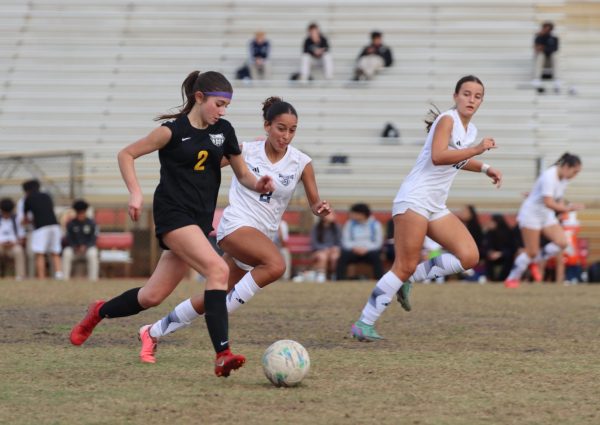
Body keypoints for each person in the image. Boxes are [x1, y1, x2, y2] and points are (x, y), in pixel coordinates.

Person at [69, 71, 275, 378]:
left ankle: (98, 311)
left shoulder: (224, 131)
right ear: (199, 97)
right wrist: (136, 194)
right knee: (218, 271)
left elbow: (242, 174)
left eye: (226, 106)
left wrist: (259, 184)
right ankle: (222, 354)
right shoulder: (171, 131)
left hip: (198, 220)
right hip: (173, 215)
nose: (222, 111)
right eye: (218, 104)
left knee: (151, 296)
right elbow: (126, 154)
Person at [137, 96, 331, 364]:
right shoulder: (246, 150)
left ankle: (152, 331)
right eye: (281, 128)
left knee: (212, 297)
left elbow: (313, 202)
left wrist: (320, 207)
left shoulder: (301, 162)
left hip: (261, 236)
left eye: (292, 130)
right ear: (267, 126)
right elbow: (201, 164)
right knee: (275, 265)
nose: (286, 135)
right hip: (236, 226)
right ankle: (222, 317)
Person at [350, 75, 503, 341]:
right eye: (466, 94)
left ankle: (410, 280)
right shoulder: (447, 120)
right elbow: (439, 156)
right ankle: (364, 323)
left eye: (477, 96)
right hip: (414, 200)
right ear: (455, 96)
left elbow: (457, 160)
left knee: (469, 256)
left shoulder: (471, 131)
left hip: (434, 205)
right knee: (403, 265)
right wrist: (477, 151)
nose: (471, 100)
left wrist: (486, 168)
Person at [504, 153, 583, 288]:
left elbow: (554, 199)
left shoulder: (563, 179)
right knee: (531, 251)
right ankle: (512, 277)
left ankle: (536, 260)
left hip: (546, 215)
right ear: (566, 166)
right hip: (531, 214)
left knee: (562, 242)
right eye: (574, 171)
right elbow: (548, 202)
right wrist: (568, 208)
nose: (574, 175)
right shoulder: (549, 176)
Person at [22, 179, 63, 280]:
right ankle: (59, 275)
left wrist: (25, 223)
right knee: (55, 251)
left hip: (41, 228)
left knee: (39, 253)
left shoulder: (28, 198)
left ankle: (41, 277)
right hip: (55, 226)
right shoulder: (46, 195)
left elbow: (26, 217)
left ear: (26, 190)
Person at [336, 203, 384, 280]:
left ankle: (379, 280)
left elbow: (378, 243)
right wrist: (355, 248)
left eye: (354, 213)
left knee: (376, 256)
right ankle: (339, 280)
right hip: (353, 250)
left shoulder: (375, 224)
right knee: (343, 256)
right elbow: (345, 241)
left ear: (362, 214)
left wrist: (366, 249)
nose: (351, 215)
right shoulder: (349, 224)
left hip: (369, 251)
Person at [62, 199, 99, 281]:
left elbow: (94, 238)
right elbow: (69, 238)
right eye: (79, 213)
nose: (80, 215)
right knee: (66, 252)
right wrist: (75, 247)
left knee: (93, 253)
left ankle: (93, 280)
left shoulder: (92, 223)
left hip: (87, 249)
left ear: (85, 212)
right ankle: (64, 279)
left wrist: (86, 246)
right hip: (74, 250)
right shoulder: (71, 224)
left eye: (82, 213)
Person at [483, 214, 518, 282]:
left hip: (505, 255)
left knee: (508, 258)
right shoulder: (489, 233)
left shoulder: (508, 233)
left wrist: (501, 253)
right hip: (493, 255)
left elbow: (512, 248)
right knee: (488, 258)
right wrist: (490, 252)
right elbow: (486, 246)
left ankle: (503, 278)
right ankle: (490, 278)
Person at [310, 212, 341, 282]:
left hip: (333, 251)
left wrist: (335, 248)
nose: (333, 216)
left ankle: (334, 275)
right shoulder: (316, 228)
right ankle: (321, 275)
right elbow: (314, 243)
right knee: (323, 256)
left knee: (335, 257)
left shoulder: (337, 227)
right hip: (319, 251)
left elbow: (339, 242)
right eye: (330, 214)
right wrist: (324, 248)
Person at [0, 198, 26, 280]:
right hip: (0, 245)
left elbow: (22, 237)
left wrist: (15, 243)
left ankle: (20, 276)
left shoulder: (17, 219)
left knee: (19, 251)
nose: (6, 215)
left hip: (13, 245)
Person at [533, 22, 560, 92]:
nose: (545, 30)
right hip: (542, 61)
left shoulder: (555, 38)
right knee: (541, 55)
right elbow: (537, 49)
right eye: (544, 28)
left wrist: (543, 48)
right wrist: (541, 39)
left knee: (554, 55)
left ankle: (556, 79)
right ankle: (537, 78)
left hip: (550, 61)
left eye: (548, 29)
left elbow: (555, 49)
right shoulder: (538, 37)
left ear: (551, 30)